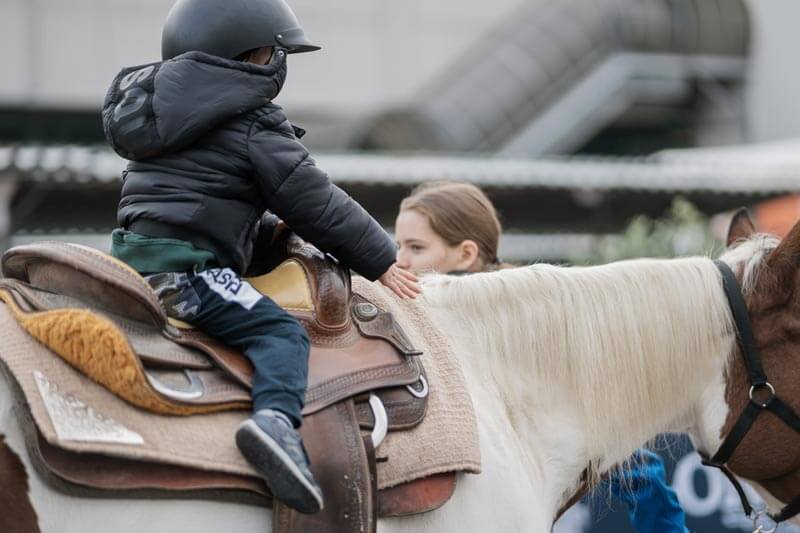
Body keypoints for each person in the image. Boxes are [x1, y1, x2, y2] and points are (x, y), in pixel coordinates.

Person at [101, 0, 419, 515]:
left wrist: (268, 231)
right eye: (274, 52)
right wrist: (381, 258)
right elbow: (315, 199)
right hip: (190, 273)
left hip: (133, 261)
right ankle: (275, 425)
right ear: (252, 56)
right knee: (280, 333)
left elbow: (200, 204)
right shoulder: (250, 122)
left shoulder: (159, 117)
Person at [395, 181, 688, 532]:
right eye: (398, 245)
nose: (400, 260)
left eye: (416, 247)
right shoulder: (415, 314)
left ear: (466, 254)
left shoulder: (529, 318)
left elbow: (629, 458)